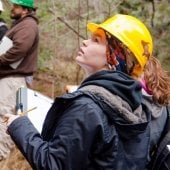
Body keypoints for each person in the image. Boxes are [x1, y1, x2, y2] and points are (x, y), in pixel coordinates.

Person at [4, 14, 170, 169]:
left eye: (96, 40)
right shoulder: (133, 103)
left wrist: (19, 124)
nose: (84, 42)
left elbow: (53, 164)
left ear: (116, 56)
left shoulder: (86, 106)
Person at [0, 0, 39, 160]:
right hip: (9, 79)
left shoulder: (28, 25)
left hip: (14, 80)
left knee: (3, 116)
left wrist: (0, 59)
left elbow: (19, 48)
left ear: (25, 9)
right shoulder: (22, 24)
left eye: (16, 6)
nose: (12, 8)